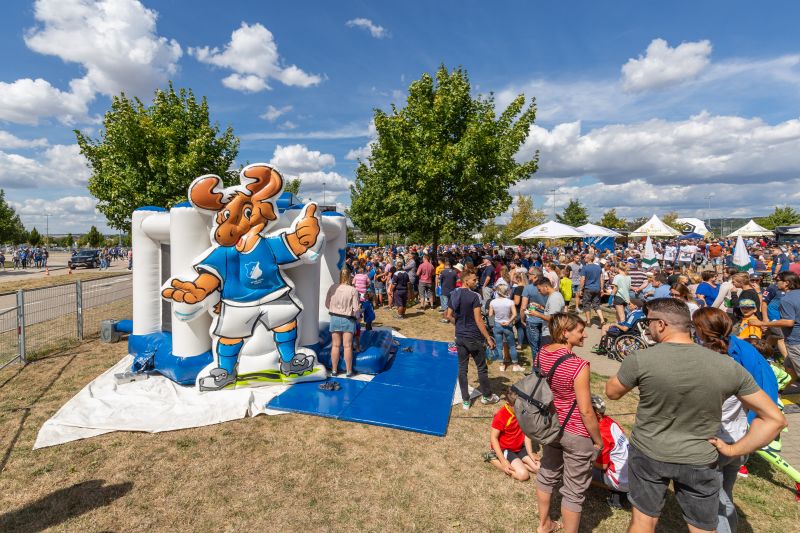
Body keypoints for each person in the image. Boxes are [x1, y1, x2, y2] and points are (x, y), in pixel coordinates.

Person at [605, 298, 787, 533]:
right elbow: (775, 419)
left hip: (650, 453)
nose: (647, 327)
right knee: (703, 527)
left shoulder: (641, 358)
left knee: (643, 521)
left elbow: (612, 392)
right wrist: (734, 450)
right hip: (700, 459)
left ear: (660, 324)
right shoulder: (728, 366)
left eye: (648, 322)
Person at [692, 307, 782, 532]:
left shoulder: (712, 364)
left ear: (701, 330)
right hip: (740, 439)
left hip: (717, 443)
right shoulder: (743, 355)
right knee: (725, 497)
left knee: (714, 505)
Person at [535, 313, 603, 533]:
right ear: (565, 333)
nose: (584, 335)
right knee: (574, 490)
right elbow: (585, 410)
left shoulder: (541, 353)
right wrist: (598, 439)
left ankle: (544, 523)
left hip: (550, 426)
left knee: (547, 472)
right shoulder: (578, 365)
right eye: (580, 331)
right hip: (575, 431)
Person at [444, 272, 499, 409]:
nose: (477, 281)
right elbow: (478, 320)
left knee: (462, 368)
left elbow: (448, 315)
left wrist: (458, 325)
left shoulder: (454, 294)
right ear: (466, 281)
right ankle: (487, 396)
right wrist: (488, 338)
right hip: (474, 337)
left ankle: (466, 401)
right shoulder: (474, 296)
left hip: (460, 337)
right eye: (474, 280)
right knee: (481, 368)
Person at [748, 270, 800, 383]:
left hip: (795, 341)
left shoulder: (787, 299)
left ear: (786, 283)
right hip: (795, 340)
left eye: (778, 281)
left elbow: (788, 322)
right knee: (789, 367)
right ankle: (780, 391)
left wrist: (762, 323)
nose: (776, 283)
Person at [484, 386, 541, 481]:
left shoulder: (524, 411)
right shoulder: (501, 415)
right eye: (517, 406)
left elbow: (527, 433)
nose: (521, 408)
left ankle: (519, 462)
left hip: (519, 448)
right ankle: (492, 458)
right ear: (508, 403)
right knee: (523, 475)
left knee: (540, 469)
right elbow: (493, 438)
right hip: (505, 449)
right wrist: (503, 461)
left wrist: (530, 453)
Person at [590, 395, 630, 509]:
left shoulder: (601, 434)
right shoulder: (609, 421)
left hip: (620, 479)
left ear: (596, 415)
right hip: (630, 475)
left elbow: (603, 465)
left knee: (578, 464)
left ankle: (615, 488)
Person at [324, 269, 361, 377]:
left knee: (335, 345)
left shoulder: (333, 287)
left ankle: (334, 370)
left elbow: (327, 304)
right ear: (349, 276)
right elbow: (356, 309)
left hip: (334, 318)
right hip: (348, 319)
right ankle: (349, 371)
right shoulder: (353, 290)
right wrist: (358, 318)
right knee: (347, 346)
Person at [489, 284, 521, 372]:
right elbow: (514, 314)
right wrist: (508, 321)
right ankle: (515, 365)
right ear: (506, 291)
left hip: (497, 324)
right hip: (507, 324)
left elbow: (490, 314)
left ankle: (501, 364)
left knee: (499, 346)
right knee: (512, 346)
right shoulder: (510, 302)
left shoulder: (493, 302)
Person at [526, 278, 565, 346]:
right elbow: (551, 312)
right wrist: (540, 307)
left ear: (546, 287)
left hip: (551, 334)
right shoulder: (553, 296)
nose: (539, 292)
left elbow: (553, 318)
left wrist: (537, 314)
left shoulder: (555, 298)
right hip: (550, 333)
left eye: (539, 289)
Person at [521, 268, 547, 358]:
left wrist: (522, 319)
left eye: (530, 274)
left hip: (532, 320)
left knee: (534, 346)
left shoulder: (528, 288)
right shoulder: (546, 287)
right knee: (543, 346)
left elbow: (523, 307)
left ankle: (536, 369)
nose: (528, 275)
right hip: (545, 318)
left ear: (535, 276)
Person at [579, 254, 605, 327]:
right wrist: (602, 289)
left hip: (588, 288)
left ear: (589, 259)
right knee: (596, 305)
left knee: (586, 304)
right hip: (597, 288)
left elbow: (582, 279)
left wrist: (581, 289)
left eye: (585, 257)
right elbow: (601, 279)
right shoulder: (598, 268)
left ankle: (588, 321)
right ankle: (602, 320)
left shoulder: (585, 268)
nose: (584, 258)